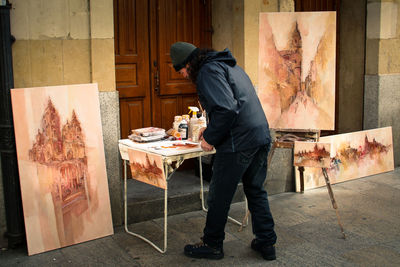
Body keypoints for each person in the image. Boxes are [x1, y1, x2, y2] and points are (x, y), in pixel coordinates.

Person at [170, 42, 277, 261]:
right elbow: (233, 105)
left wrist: (210, 138)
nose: (182, 76)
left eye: (181, 70)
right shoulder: (229, 66)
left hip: (239, 143)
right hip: (259, 135)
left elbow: (227, 108)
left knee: (219, 196)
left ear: (189, 64)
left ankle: (212, 244)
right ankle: (267, 243)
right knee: (256, 190)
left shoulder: (207, 72)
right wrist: (212, 129)